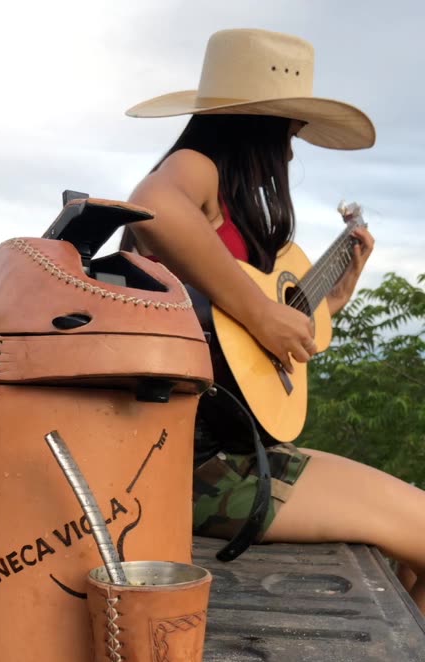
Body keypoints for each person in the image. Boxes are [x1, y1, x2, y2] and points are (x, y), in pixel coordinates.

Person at [120, 28, 425, 611]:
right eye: (288, 134)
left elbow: (247, 344)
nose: (288, 155)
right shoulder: (195, 167)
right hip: (192, 469)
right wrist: (263, 313)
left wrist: (333, 297)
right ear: (257, 126)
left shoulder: (230, 219)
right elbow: (152, 206)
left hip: (233, 457)